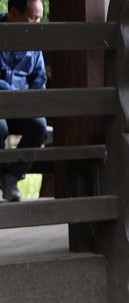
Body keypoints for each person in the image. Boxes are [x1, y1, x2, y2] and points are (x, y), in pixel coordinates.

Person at [0, 0, 47, 202]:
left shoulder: (33, 42)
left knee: (39, 126)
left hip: (19, 107)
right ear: (13, 14)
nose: (37, 23)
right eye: (32, 18)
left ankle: (10, 176)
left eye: (40, 18)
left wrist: (31, 102)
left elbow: (39, 80)